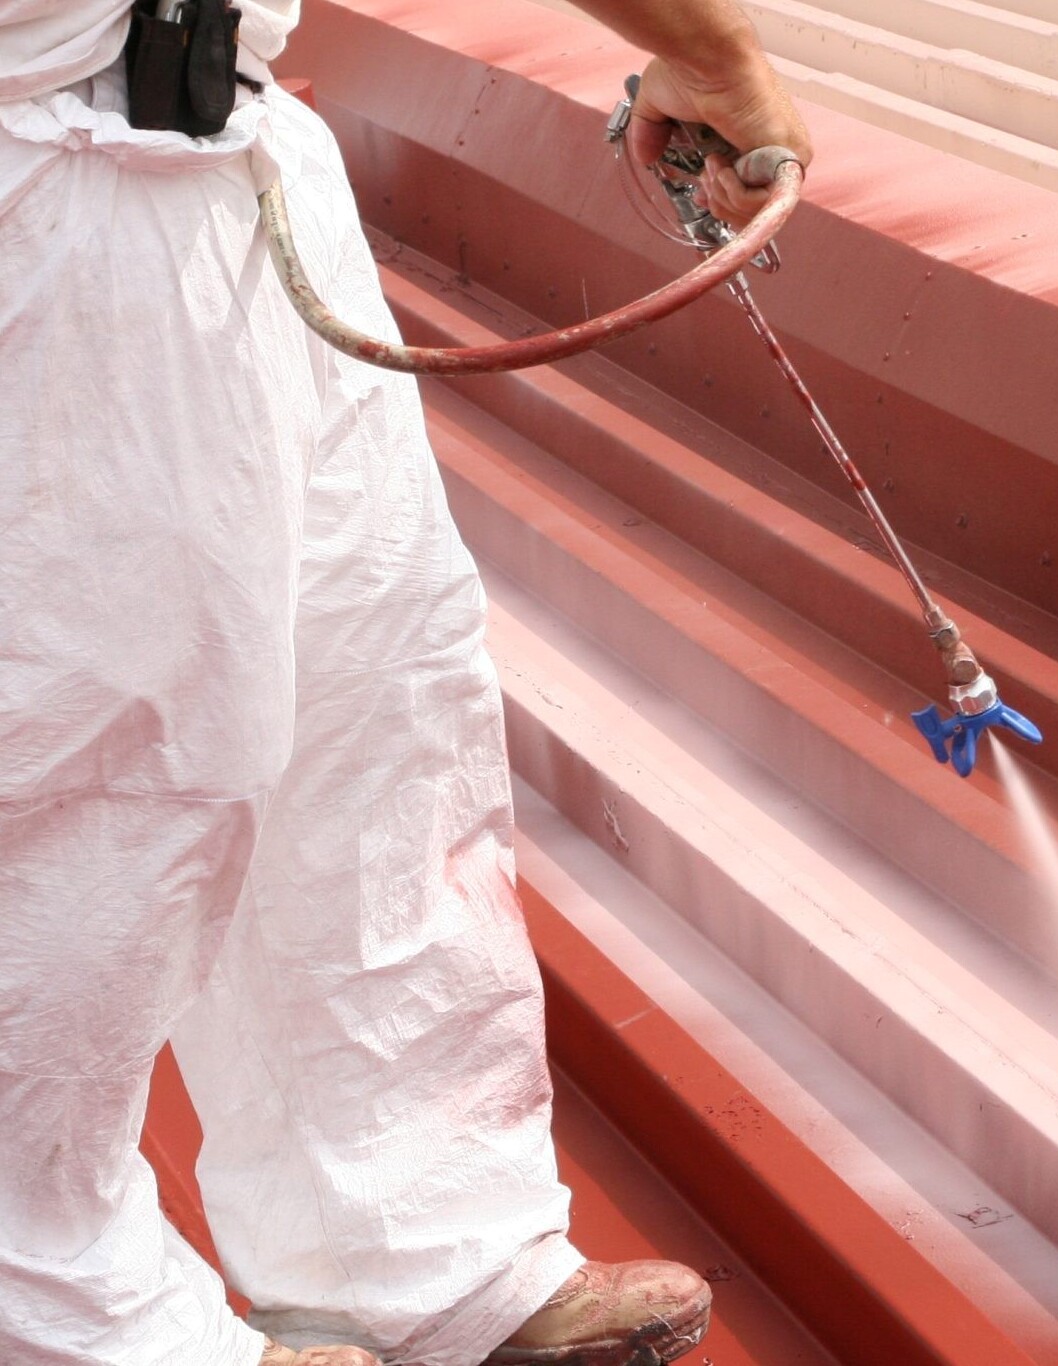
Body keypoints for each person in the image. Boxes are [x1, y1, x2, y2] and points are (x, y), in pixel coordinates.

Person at [0, 1, 811, 1364]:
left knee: (368, 704)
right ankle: (61, 1318)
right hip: (40, 175)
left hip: (226, 153)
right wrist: (718, 60)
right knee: (87, 771)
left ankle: (414, 1247)